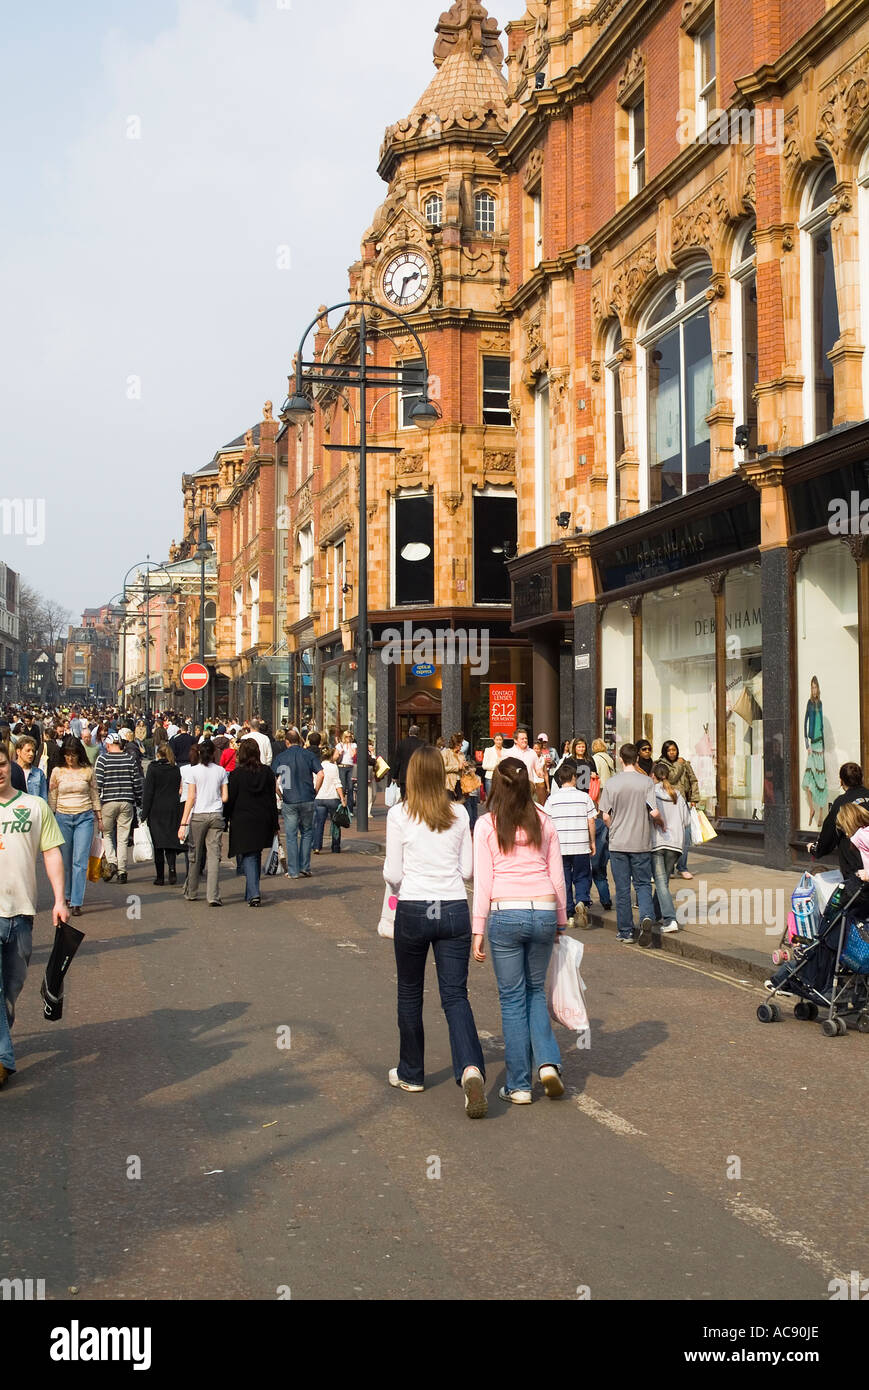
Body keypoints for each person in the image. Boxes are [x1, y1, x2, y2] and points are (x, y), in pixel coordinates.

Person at [384, 745, 487, 1118]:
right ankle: (471, 1068)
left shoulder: (399, 815)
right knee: (455, 996)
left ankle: (411, 1072)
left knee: (410, 993)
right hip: (453, 908)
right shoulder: (459, 813)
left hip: (413, 907)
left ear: (411, 777)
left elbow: (393, 873)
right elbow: (468, 871)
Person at [472, 757, 568, 1104]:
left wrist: (477, 928)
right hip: (543, 908)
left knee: (512, 999)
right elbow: (558, 877)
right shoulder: (545, 821)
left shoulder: (486, 825)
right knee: (534, 992)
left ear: (496, 787)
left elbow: (484, 881)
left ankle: (519, 1085)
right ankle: (547, 1064)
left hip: (505, 912)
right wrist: (560, 919)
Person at [0, 746, 68, 1089]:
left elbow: (52, 853)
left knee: (11, 989)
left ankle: (2, 1038)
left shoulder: (34, 806)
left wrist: (59, 899)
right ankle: (2, 1059)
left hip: (22, 913)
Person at [600, 744, 664, 944]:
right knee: (643, 884)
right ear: (637, 759)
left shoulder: (611, 783)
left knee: (622, 888)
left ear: (620, 759)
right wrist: (661, 823)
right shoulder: (646, 782)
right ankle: (646, 916)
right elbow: (653, 812)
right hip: (640, 842)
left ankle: (626, 931)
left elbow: (604, 816)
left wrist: (614, 827)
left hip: (618, 843)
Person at [48, 736, 102, 917]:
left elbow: (94, 794)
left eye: (73, 755)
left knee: (80, 860)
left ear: (80, 754)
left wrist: (99, 817)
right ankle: (67, 895)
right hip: (62, 817)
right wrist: (51, 819)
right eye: (67, 755)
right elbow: (52, 797)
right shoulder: (57, 772)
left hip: (84, 818)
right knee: (65, 860)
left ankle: (77, 900)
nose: (70, 758)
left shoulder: (88, 771)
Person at [226, 739, 279, 907]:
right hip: (262, 818)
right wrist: (275, 823)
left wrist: (226, 817)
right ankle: (250, 891)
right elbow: (272, 799)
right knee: (254, 854)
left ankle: (254, 893)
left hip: (242, 819)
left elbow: (231, 799)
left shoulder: (236, 774)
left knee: (249, 855)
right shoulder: (267, 773)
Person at [544, 761, 597, 929]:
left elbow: (546, 825)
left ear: (559, 779)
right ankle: (581, 900)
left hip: (559, 847)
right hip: (580, 844)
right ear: (574, 778)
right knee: (582, 876)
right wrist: (593, 841)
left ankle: (569, 914)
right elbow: (591, 822)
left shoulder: (552, 800)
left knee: (564, 880)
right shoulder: (584, 797)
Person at [179, 738, 228, 905]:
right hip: (216, 814)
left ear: (199, 753)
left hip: (198, 815)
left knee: (195, 855)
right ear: (214, 753)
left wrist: (183, 822)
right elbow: (225, 797)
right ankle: (213, 895)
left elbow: (191, 798)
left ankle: (191, 891)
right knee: (214, 856)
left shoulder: (193, 771)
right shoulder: (221, 771)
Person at [649, 761, 691, 940]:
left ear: (653, 776)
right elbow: (687, 822)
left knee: (660, 882)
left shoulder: (652, 794)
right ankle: (654, 914)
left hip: (658, 842)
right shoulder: (678, 795)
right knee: (663, 881)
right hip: (676, 844)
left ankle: (670, 919)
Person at [273, 729, 323, 879]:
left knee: (291, 835)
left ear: (287, 742)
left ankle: (293, 871)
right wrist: (315, 790)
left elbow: (273, 781)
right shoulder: (308, 755)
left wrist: (280, 794)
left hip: (289, 799)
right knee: (307, 832)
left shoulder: (281, 757)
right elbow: (321, 773)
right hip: (307, 797)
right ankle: (305, 867)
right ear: (300, 741)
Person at [95, 731, 143, 884]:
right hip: (127, 802)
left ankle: (112, 862)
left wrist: (96, 804)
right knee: (122, 838)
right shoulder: (129, 759)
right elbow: (137, 782)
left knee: (107, 834)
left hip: (108, 802)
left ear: (108, 745)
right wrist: (139, 800)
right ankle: (123, 871)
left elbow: (98, 784)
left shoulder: (103, 759)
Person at [810, 763, 869, 863]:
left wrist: (816, 849)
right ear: (861, 778)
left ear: (841, 781)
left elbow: (829, 832)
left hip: (855, 862)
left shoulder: (841, 803)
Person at [141, 744, 183, 885]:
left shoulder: (153, 769)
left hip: (156, 809)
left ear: (158, 754)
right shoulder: (176, 769)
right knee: (170, 842)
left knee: (158, 844)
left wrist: (144, 813)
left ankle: (160, 876)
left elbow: (148, 792)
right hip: (172, 808)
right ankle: (172, 870)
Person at [659, 740, 700, 879]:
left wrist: (694, 799)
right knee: (670, 837)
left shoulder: (684, 763)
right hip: (668, 805)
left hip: (684, 804)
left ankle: (682, 867)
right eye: (669, 750)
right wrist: (679, 764)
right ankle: (669, 868)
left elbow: (693, 780)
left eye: (674, 750)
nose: (672, 752)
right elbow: (671, 777)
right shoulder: (661, 764)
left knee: (686, 837)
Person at [802, 676, 827, 827]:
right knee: (808, 781)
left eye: (815, 687)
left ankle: (821, 815)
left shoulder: (820, 703)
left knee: (821, 780)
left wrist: (824, 746)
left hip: (820, 745)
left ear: (818, 688)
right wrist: (807, 745)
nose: (814, 690)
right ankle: (812, 809)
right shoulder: (809, 703)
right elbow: (805, 723)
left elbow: (821, 725)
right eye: (812, 687)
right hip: (813, 745)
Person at [313, 745, 347, 854]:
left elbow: (315, 782)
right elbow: (337, 783)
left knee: (319, 823)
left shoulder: (316, 766)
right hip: (332, 798)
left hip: (319, 798)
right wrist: (342, 798)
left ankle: (317, 846)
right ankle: (335, 847)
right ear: (331, 756)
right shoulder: (333, 767)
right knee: (335, 823)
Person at [388, 724, 425, 800]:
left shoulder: (401, 744)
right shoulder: (422, 744)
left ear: (409, 733)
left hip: (405, 776)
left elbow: (397, 761)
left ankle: (406, 810)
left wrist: (395, 776)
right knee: (418, 798)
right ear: (418, 733)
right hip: (418, 776)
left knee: (405, 798)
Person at [337, 729, 357, 813]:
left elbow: (353, 755)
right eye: (347, 737)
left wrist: (349, 746)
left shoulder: (354, 745)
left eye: (350, 736)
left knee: (350, 788)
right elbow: (336, 758)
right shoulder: (339, 745)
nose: (348, 738)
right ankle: (341, 807)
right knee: (343, 787)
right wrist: (340, 753)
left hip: (351, 767)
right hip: (342, 766)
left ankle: (350, 809)